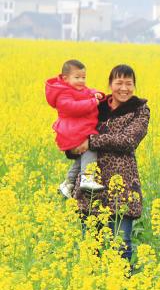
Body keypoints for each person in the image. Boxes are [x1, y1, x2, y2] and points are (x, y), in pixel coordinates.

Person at [73, 64, 150, 263]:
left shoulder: (139, 110)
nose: (124, 88)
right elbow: (74, 132)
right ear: (110, 84)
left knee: (121, 244)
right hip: (91, 186)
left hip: (122, 188)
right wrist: (71, 146)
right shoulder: (94, 107)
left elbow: (128, 140)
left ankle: (124, 289)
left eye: (129, 83)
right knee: (90, 245)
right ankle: (91, 289)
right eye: (119, 82)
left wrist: (89, 141)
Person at [45, 59, 105, 197]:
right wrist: (92, 102)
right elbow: (72, 108)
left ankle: (68, 184)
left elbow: (88, 90)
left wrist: (97, 94)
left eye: (83, 77)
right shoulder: (63, 93)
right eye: (77, 77)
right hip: (72, 131)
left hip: (77, 129)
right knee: (90, 148)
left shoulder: (76, 88)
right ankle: (87, 178)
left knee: (83, 156)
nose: (81, 81)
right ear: (65, 78)